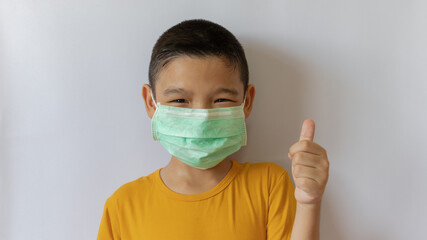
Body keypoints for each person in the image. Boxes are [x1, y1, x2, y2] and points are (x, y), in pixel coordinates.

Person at [97, 19, 329, 240]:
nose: (202, 118)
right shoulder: (123, 206)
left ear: (246, 102)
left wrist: (309, 203)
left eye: (220, 100)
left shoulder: (269, 186)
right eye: (180, 100)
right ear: (151, 102)